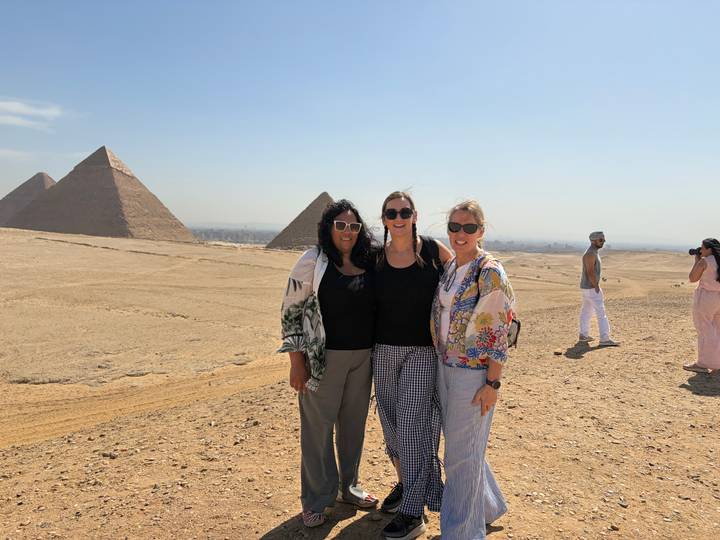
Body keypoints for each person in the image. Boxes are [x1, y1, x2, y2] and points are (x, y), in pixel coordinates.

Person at [279, 199, 379, 528]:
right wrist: (297, 363)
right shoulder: (312, 261)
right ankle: (317, 499)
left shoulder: (368, 261)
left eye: (353, 226)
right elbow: (291, 313)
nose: (347, 232)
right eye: (340, 225)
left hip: (362, 358)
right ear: (328, 227)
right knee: (317, 431)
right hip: (322, 359)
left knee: (353, 428)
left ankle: (348, 488)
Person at [429, 200, 515, 539]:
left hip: (474, 373)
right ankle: (489, 505)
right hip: (445, 366)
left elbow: (499, 331)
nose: (459, 234)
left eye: (467, 228)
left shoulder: (489, 270)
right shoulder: (452, 268)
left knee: (460, 457)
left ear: (480, 230)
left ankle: (461, 533)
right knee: (465, 447)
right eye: (454, 227)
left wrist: (492, 384)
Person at [373, 191, 452, 540]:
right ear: (385, 219)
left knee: (411, 427)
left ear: (414, 214)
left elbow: (465, 274)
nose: (398, 217)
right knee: (391, 427)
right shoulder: (375, 257)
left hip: (421, 352)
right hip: (383, 351)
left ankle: (413, 512)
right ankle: (407, 485)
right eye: (392, 212)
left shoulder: (434, 251)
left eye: (404, 211)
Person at [683, 238, 720, 375]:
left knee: (704, 329)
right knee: (717, 329)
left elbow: (693, 278)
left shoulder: (705, 261)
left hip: (706, 298)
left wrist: (697, 260)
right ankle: (717, 362)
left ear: (709, 249)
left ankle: (703, 363)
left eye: (702, 248)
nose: (701, 250)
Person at [578, 231, 619, 347]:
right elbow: (590, 272)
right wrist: (596, 286)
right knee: (601, 313)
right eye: (601, 240)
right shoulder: (590, 254)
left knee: (586, 311)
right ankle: (605, 338)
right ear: (593, 241)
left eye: (603, 239)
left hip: (587, 288)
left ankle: (583, 335)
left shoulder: (593, 252)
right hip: (591, 288)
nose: (603, 242)